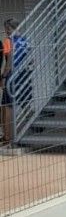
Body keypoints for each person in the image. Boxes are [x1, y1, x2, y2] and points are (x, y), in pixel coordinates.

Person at [1, 18, 28, 147]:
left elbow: (9, 60)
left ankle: (7, 137)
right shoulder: (25, 40)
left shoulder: (8, 41)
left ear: (9, 28)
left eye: (6, 28)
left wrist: (4, 76)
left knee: (7, 106)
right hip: (23, 75)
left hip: (11, 76)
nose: (5, 31)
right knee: (24, 102)